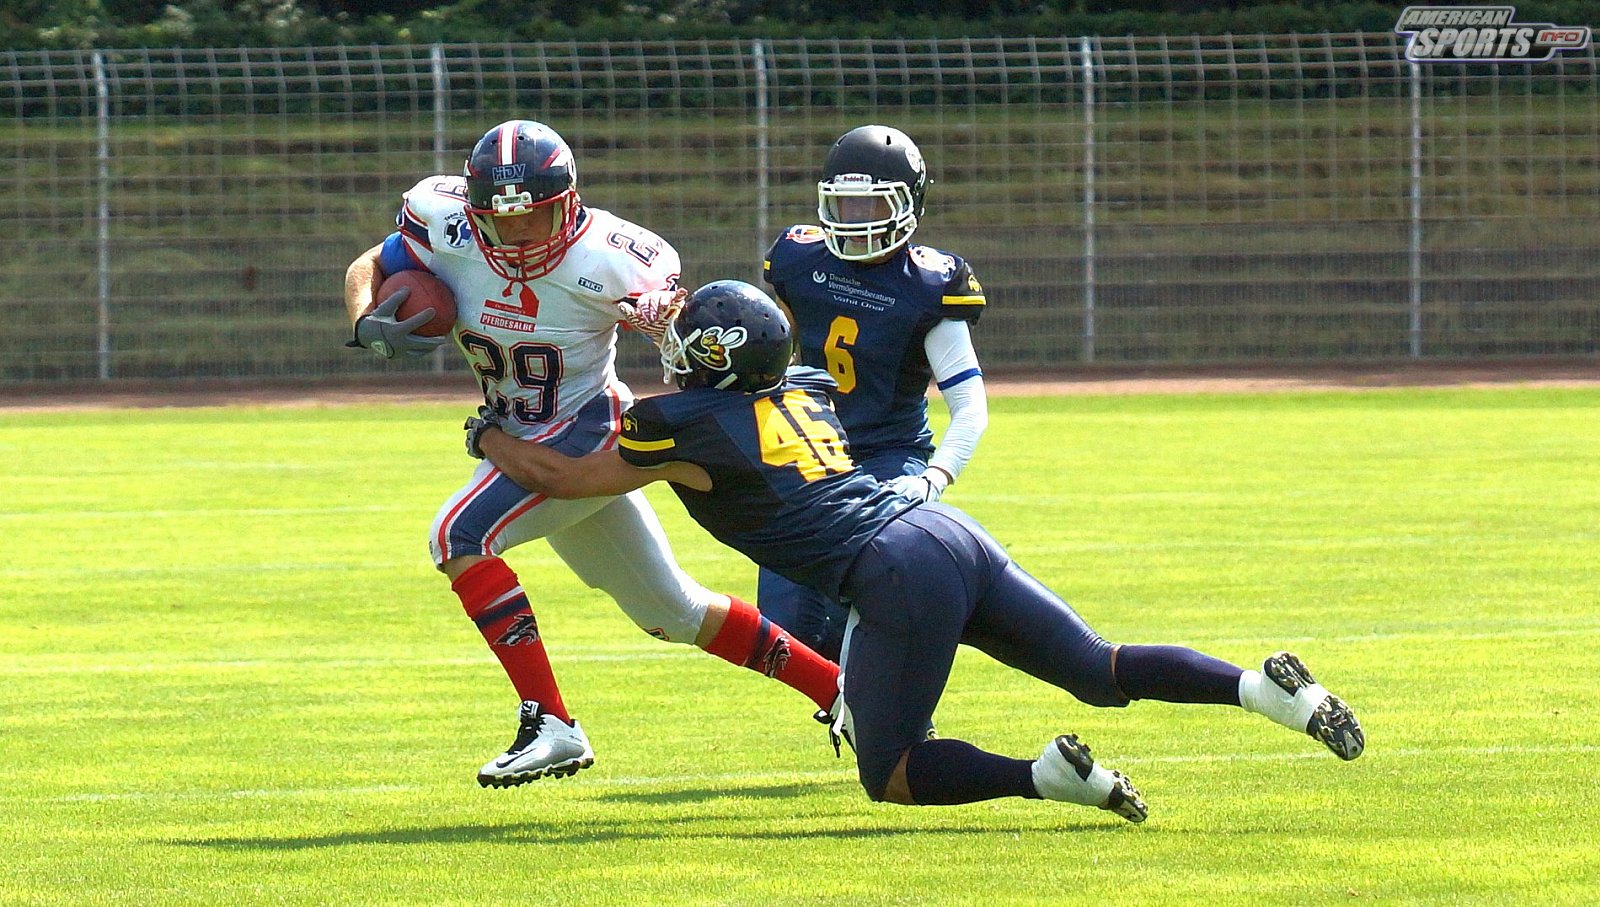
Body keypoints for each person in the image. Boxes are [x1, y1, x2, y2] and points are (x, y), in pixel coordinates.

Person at [463, 280, 1365, 817]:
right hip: (946, 532)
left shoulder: (682, 422)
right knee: (1099, 666)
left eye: (686, 344)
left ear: (717, 358)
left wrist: (490, 435)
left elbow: (567, 479)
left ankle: (1044, 777)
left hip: (892, 567)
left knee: (890, 770)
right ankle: (1268, 690)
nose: (674, 353)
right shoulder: (802, 387)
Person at [341, 121, 841, 788]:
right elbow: (370, 264)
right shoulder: (446, 220)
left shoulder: (612, 256)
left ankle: (549, 722)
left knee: (457, 534)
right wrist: (364, 319)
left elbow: (680, 330)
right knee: (673, 612)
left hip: (587, 425)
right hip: (523, 428)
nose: (518, 233)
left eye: (535, 215)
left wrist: (659, 316)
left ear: (569, 202)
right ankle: (841, 690)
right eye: (501, 219)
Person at [758, 124, 989, 662]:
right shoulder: (798, 260)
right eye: (846, 205)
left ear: (910, 204)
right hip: (807, 453)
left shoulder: (930, 284)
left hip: (887, 456)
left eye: (870, 205)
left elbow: (969, 406)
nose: (856, 220)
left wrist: (933, 477)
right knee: (787, 625)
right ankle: (854, 692)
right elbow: (776, 359)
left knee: (866, 598)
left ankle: (888, 693)